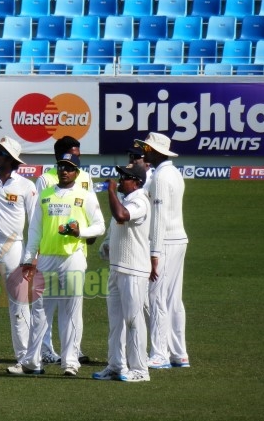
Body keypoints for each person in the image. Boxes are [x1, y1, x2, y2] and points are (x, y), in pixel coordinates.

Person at [8, 153, 105, 377]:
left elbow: (100, 226)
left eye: (69, 168)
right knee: (40, 310)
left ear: (77, 172)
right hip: (47, 258)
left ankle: (70, 362)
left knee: (71, 310)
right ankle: (32, 361)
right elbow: (34, 230)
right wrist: (27, 259)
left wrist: (80, 232)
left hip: (73, 257)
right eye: (61, 166)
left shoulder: (85, 196)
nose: (64, 171)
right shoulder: (45, 195)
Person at [35, 136, 93, 365]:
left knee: (72, 306)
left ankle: (73, 351)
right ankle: (47, 350)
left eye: (78, 155)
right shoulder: (45, 179)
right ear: (59, 157)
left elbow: (91, 209)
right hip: (49, 250)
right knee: (46, 305)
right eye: (72, 154)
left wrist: (88, 235)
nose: (76, 160)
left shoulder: (85, 176)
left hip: (75, 250)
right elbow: (38, 217)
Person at [134, 132, 190, 369]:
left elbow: (158, 219)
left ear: (156, 152)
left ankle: (159, 353)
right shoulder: (174, 173)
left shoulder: (160, 177)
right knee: (173, 299)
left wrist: (154, 254)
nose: (144, 153)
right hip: (178, 238)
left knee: (155, 296)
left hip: (165, 241)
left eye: (147, 149)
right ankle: (179, 353)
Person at [92, 163, 151, 383]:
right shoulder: (126, 198)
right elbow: (116, 225)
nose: (120, 179)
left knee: (134, 320)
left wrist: (109, 190)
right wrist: (108, 244)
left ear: (136, 182)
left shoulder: (140, 201)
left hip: (134, 270)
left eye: (125, 177)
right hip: (117, 268)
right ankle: (116, 365)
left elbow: (121, 216)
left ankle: (140, 369)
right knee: (116, 321)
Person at [0, 136, 37, 373]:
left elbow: (36, 223)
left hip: (14, 247)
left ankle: (24, 359)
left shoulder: (26, 186)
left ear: (11, 159)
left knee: (19, 305)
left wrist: (32, 256)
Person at [99, 145, 153, 261]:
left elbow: (121, 215)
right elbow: (116, 217)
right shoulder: (124, 187)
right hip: (121, 253)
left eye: (137, 157)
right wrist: (109, 239)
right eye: (130, 157)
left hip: (139, 253)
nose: (121, 179)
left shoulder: (152, 185)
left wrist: (155, 252)